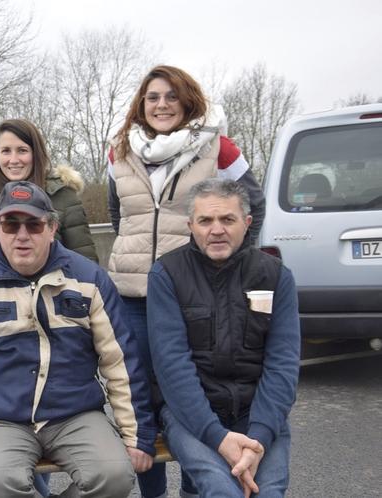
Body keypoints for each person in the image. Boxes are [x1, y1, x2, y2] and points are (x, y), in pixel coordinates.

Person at [106, 65, 267, 498]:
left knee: (194, 394)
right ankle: (152, 491)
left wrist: (230, 267)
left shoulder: (219, 147)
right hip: (132, 293)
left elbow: (255, 205)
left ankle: (195, 490)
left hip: (194, 289)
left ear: (187, 100)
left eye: (171, 96)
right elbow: (119, 215)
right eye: (153, 97)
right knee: (140, 399)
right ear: (142, 104)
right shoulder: (119, 150)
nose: (161, 105)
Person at [0, 181, 156, 498]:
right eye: (11, 224)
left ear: (52, 227)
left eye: (33, 224)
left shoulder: (89, 279)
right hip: (0, 418)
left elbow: (120, 361)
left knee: (115, 476)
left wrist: (136, 435)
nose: (22, 235)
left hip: (75, 414)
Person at [148, 178, 300, 497]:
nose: (216, 229)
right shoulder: (166, 275)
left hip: (257, 412)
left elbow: (282, 365)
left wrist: (256, 440)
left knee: (267, 492)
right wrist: (218, 437)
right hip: (193, 415)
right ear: (191, 225)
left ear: (246, 223)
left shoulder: (276, 276)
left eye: (227, 219)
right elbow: (173, 369)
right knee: (223, 491)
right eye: (205, 220)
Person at [0, 118, 97, 267]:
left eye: (22, 150)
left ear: (36, 154)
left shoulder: (64, 197)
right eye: (6, 151)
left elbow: (87, 264)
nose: (13, 160)